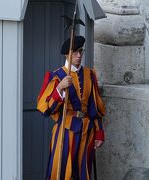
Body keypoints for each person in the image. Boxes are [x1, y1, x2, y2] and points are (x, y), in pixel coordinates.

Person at [37, 35, 105, 180]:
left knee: (83, 171)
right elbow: (46, 109)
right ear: (66, 54)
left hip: (87, 130)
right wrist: (60, 88)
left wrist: (99, 132)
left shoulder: (90, 74)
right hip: (65, 131)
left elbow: (95, 106)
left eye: (81, 51)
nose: (79, 55)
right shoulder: (55, 76)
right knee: (61, 171)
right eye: (74, 52)